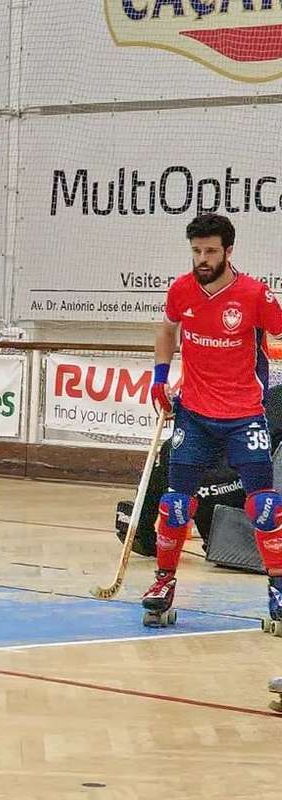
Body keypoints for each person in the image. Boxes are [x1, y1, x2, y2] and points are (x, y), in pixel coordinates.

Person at [144, 212, 282, 627]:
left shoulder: (255, 295)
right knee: (174, 505)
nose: (202, 259)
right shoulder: (182, 290)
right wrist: (160, 377)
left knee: (265, 506)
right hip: (195, 416)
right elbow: (167, 330)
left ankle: (277, 588)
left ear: (228, 251)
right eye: (196, 251)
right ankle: (163, 583)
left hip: (244, 415)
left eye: (210, 251)